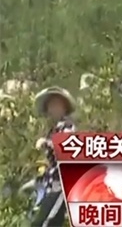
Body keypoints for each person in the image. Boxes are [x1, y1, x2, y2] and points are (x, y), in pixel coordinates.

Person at [31, 86, 76, 227]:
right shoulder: (53, 130)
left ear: (64, 107)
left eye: (56, 104)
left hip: (60, 184)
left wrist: (46, 143)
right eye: (51, 105)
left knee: (44, 222)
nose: (53, 109)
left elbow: (65, 146)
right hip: (50, 184)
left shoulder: (67, 126)